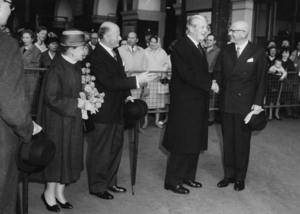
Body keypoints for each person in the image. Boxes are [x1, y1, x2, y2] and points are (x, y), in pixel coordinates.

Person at [86, 21, 156, 200]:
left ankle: (110, 181)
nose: (120, 38)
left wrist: (127, 95)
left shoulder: (115, 51)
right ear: (106, 36)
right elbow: (109, 82)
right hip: (103, 112)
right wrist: (136, 80)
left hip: (118, 109)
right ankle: (97, 186)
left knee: (116, 148)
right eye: (117, 35)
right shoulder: (96, 57)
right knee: (100, 150)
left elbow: (120, 76)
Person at [30, 30, 92, 212]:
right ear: (71, 49)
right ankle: (49, 193)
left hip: (72, 120)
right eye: (82, 47)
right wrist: (78, 102)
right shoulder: (57, 68)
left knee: (70, 155)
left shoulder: (76, 66)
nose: (85, 50)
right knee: (58, 157)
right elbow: (51, 98)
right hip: (57, 121)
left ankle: (59, 192)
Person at [162, 15, 219, 195]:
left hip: (196, 101)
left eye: (206, 27)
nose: (206, 30)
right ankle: (173, 181)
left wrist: (211, 81)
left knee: (193, 140)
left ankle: (187, 177)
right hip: (185, 104)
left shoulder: (197, 46)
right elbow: (186, 74)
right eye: (202, 27)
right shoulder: (181, 46)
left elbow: (200, 73)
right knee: (182, 141)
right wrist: (209, 84)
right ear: (191, 28)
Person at [214, 21, 267, 191]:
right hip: (227, 102)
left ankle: (240, 177)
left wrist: (258, 103)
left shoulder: (258, 51)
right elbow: (218, 72)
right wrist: (216, 86)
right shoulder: (226, 50)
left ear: (243, 33)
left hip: (245, 104)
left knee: (242, 142)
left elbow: (261, 79)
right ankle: (228, 175)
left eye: (233, 31)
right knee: (228, 140)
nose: (230, 33)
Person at [0, 0, 40, 213]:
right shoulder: (5, 44)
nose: (11, 9)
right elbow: (11, 104)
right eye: (10, 4)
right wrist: (27, 130)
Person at [143, 35, 169, 129]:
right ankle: (145, 121)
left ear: (158, 42)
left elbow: (166, 64)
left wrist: (161, 73)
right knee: (146, 102)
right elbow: (143, 64)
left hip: (158, 80)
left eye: (155, 42)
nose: (153, 44)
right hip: (149, 80)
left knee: (158, 102)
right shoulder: (145, 51)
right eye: (151, 42)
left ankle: (156, 121)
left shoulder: (163, 52)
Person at [118, 31, 146, 99]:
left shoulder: (142, 51)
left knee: (135, 101)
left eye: (132, 38)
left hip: (138, 81)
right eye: (129, 37)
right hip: (124, 80)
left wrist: (145, 84)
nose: (130, 39)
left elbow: (145, 66)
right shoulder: (120, 50)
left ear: (137, 40)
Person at [205, 33, 221, 125]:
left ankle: (211, 118)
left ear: (214, 41)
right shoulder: (203, 50)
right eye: (207, 39)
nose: (208, 41)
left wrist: (215, 78)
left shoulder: (218, 51)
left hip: (212, 75)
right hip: (204, 75)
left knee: (212, 98)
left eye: (210, 40)